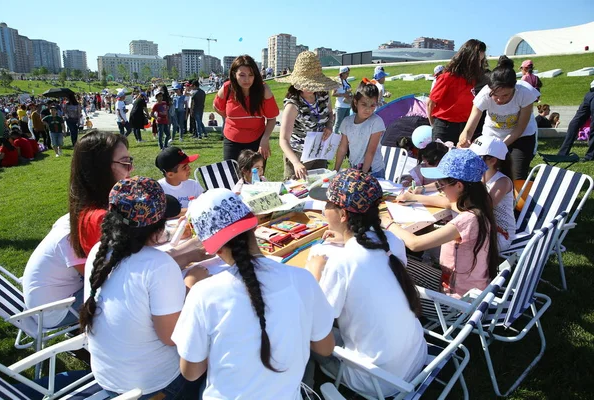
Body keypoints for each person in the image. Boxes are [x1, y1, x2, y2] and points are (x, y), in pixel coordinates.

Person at [171, 188, 335, 399]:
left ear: (214, 249)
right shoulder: (302, 279)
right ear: (254, 224)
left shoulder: (203, 294)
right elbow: (325, 348)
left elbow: (191, 372)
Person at [305, 169, 426, 397]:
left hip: (379, 380)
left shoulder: (342, 264)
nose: (323, 210)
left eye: (328, 204)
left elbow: (317, 325)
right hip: (413, 358)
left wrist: (314, 271)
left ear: (342, 215)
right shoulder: (392, 240)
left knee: (305, 337)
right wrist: (345, 238)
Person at [80, 177, 205, 398]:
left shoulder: (99, 251)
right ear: (158, 225)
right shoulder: (158, 266)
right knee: (209, 361)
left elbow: (135, 282)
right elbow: (173, 336)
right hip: (154, 386)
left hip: (110, 378)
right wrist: (191, 283)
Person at [385, 149, 499, 298]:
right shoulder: (478, 206)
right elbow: (446, 203)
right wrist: (413, 197)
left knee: (389, 265)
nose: (440, 189)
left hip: (455, 303)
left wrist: (387, 223)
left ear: (459, 186)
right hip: (462, 288)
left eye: (441, 185)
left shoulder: (467, 220)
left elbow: (415, 243)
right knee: (401, 263)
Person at [458, 56, 539, 180]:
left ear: (514, 88)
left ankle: (517, 197)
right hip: (492, 136)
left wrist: (500, 146)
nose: (500, 100)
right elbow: (469, 128)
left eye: (506, 95)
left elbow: (520, 128)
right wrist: (465, 139)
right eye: (495, 95)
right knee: (488, 174)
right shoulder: (484, 95)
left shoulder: (525, 93)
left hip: (521, 137)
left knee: (516, 176)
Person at [69, 130, 132, 259]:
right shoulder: (101, 218)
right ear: (101, 168)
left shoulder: (95, 207)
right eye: (125, 162)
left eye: (130, 161)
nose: (131, 168)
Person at [277, 51, 338, 179]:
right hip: (298, 155)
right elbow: (283, 140)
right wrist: (296, 163)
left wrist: (329, 126)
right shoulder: (292, 105)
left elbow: (330, 114)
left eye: (313, 83)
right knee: (296, 191)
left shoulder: (323, 95)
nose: (310, 88)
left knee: (319, 186)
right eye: (306, 84)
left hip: (319, 151)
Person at [22, 214, 85, 328]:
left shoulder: (67, 221)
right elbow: (94, 275)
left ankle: (77, 330)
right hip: (53, 314)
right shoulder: (68, 237)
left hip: (44, 308)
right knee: (112, 289)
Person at [214, 55, 279, 161]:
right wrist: (231, 118)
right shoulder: (227, 88)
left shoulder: (263, 90)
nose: (247, 79)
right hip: (232, 140)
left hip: (257, 139)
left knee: (255, 175)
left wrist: (265, 139)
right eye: (242, 75)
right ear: (234, 74)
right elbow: (216, 107)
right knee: (232, 175)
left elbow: (272, 118)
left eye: (251, 75)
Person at [428, 39, 487, 144]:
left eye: (481, 60)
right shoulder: (447, 77)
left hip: (465, 126)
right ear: (468, 58)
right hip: (445, 127)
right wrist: (434, 125)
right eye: (477, 60)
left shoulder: (474, 80)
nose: (479, 64)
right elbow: (430, 103)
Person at [469, 136, 515, 251]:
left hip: (500, 234)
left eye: (476, 157)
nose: (470, 160)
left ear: (492, 161)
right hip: (482, 226)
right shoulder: (476, 174)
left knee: (462, 243)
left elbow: (483, 207)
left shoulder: (502, 182)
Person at [334, 79, 386, 178]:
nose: (368, 109)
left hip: (374, 172)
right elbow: (342, 148)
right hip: (355, 170)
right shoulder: (347, 122)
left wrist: (362, 176)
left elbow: (371, 151)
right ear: (355, 102)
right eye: (364, 104)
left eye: (372, 105)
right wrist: (335, 171)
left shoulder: (376, 122)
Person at [557, 80, 594, 161]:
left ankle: (563, 153)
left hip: (590, 92)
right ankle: (590, 155)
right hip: (591, 93)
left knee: (575, 122)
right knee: (576, 123)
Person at [332, 66, 352, 134]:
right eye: (346, 73)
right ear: (342, 73)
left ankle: (342, 138)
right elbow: (333, 94)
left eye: (348, 73)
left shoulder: (346, 81)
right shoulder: (337, 81)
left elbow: (346, 91)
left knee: (346, 124)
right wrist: (343, 95)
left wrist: (349, 93)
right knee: (338, 123)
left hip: (347, 105)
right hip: (340, 106)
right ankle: (333, 139)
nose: (347, 75)